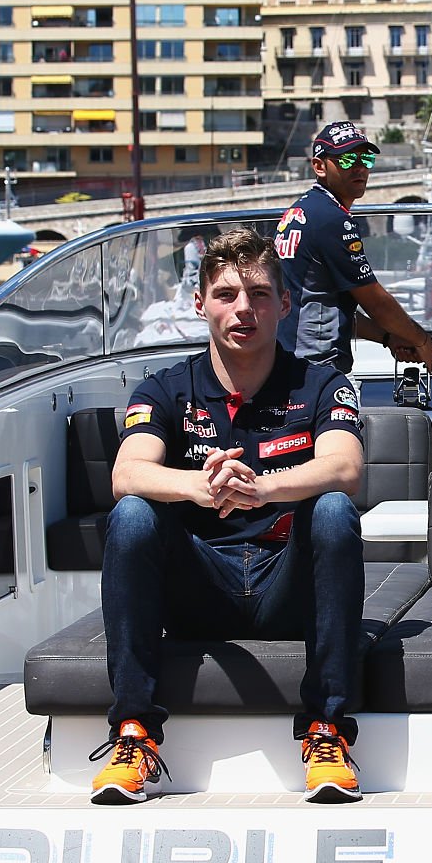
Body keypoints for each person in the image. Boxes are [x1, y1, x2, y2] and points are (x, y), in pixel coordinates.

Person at [92, 228, 367, 805]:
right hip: (201, 586)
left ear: (285, 304)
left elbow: (345, 468)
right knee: (133, 516)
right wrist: (200, 486)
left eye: (261, 294)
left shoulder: (323, 385)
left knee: (336, 510)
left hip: (285, 584)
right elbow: (127, 474)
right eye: (226, 294)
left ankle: (329, 731)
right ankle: (133, 733)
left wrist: (261, 490)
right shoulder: (165, 389)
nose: (244, 309)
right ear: (200, 303)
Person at [276, 120, 432, 374]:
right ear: (319, 166)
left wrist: (388, 337)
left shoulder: (302, 211)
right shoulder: (332, 220)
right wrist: (422, 340)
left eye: (366, 161)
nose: (360, 169)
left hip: (289, 362)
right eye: (348, 160)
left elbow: (329, 306)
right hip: (313, 371)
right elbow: (376, 302)